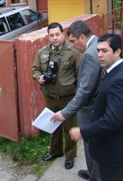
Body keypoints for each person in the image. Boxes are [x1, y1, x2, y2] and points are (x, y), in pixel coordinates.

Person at [70, 33, 123, 181]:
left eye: (105, 51)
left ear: (117, 51)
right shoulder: (112, 72)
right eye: (98, 50)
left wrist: (83, 131)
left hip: (115, 153)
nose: (100, 55)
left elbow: (111, 121)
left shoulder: (121, 81)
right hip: (108, 149)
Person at [50, 21, 102, 180]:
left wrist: (66, 112)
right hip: (96, 104)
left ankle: (95, 176)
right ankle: (92, 171)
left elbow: (85, 90)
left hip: (90, 108)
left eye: (73, 41)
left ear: (82, 37)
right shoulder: (99, 43)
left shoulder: (88, 54)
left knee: (91, 143)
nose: (72, 45)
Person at [32, 22, 81, 170]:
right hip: (50, 98)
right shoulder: (42, 52)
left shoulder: (73, 52)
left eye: (57, 34)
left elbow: (80, 74)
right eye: (51, 35)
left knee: (70, 128)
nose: (55, 38)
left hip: (68, 99)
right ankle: (56, 151)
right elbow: (35, 69)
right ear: (48, 37)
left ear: (62, 34)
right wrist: (38, 77)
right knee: (53, 127)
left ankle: (70, 155)